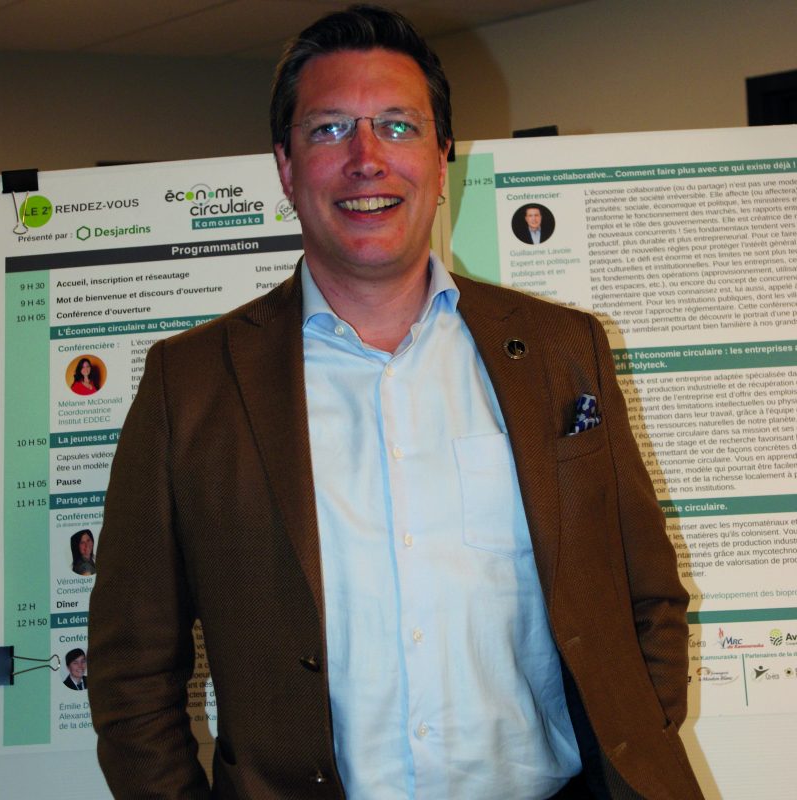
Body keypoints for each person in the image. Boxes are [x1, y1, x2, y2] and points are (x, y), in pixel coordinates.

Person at [88, 5, 703, 799]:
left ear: (443, 160)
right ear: (285, 166)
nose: (367, 159)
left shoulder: (561, 350)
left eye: (398, 127)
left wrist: (632, 756)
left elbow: (648, 594)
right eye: (330, 130)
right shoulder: (193, 384)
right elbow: (132, 672)